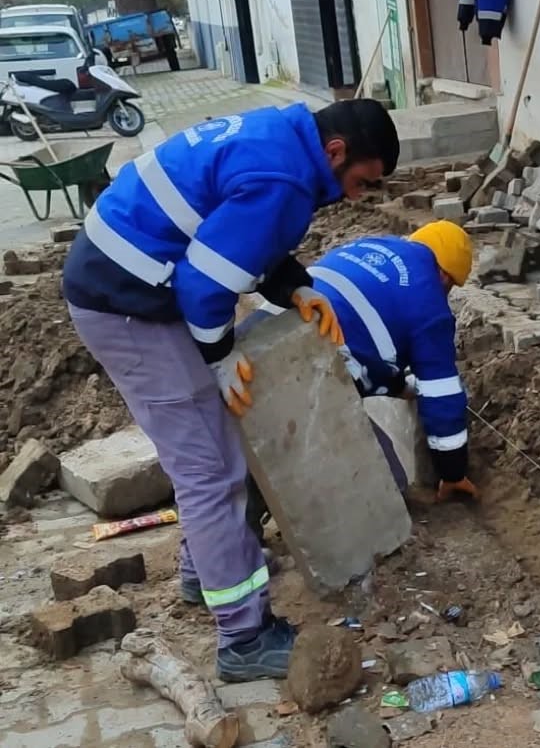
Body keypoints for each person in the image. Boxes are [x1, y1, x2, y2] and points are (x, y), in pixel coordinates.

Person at [61, 99, 400, 682]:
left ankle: (204, 573)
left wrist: (295, 288)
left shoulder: (283, 136)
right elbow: (202, 282)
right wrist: (219, 357)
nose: (353, 198)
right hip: (125, 302)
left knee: (209, 450)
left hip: (130, 276)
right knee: (210, 467)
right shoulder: (286, 178)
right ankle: (243, 637)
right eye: (359, 182)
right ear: (337, 152)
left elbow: (238, 233)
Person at [308, 220, 477, 499]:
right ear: (446, 277)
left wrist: (397, 385)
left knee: (253, 451)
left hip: (268, 331)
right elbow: (441, 396)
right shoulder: (429, 303)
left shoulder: (373, 246)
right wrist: (453, 473)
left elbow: (365, 332)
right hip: (313, 367)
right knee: (389, 488)